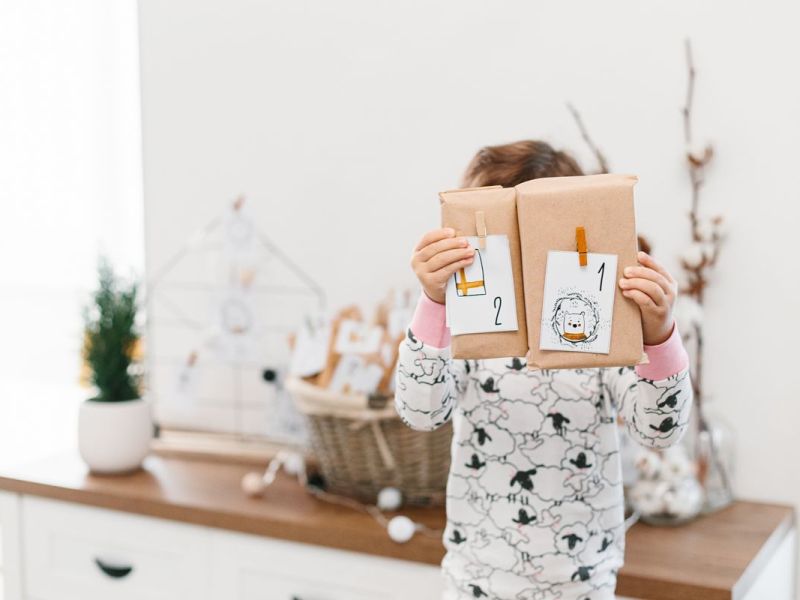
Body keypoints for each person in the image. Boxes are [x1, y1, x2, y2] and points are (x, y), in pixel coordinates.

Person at [395, 140, 692, 600]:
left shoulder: (601, 329)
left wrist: (659, 334)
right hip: (477, 580)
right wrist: (435, 302)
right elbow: (421, 411)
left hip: (583, 583)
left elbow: (659, 431)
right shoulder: (466, 329)